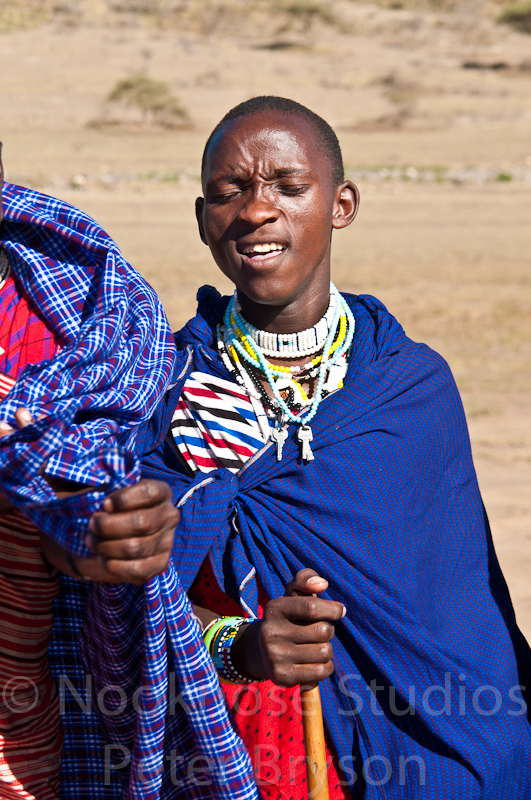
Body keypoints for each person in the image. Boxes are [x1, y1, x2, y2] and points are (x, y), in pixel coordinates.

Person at [131, 96, 531, 799]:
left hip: (445, 759)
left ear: (340, 205)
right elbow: (123, 604)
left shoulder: (409, 388)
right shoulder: (165, 392)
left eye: (288, 186)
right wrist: (239, 646)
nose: (257, 210)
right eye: (229, 192)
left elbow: (461, 610)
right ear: (203, 220)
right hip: (242, 763)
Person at [0, 147, 256, 800]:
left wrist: (109, 539)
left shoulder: (89, 332)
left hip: (21, 746)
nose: (259, 211)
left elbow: (72, 528)